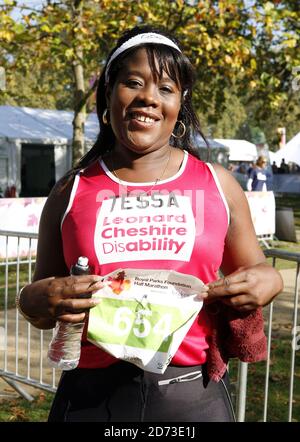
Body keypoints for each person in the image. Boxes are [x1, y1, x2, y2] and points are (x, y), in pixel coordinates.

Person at [16, 25, 283, 422]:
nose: (148, 98)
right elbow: (37, 304)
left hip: (193, 398)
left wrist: (269, 282)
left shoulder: (217, 183)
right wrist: (36, 300)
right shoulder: (70, 190)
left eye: (166, 88)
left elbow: (260, 270)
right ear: (108, 95)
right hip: (91, 399)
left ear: (180, 104)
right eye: (133, 82)